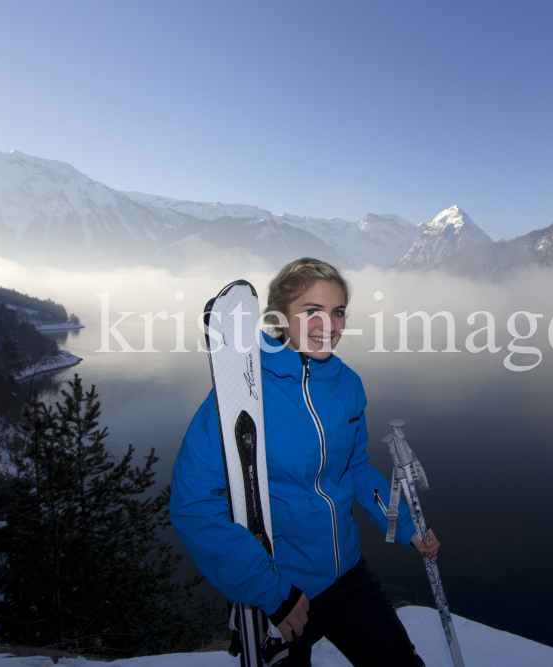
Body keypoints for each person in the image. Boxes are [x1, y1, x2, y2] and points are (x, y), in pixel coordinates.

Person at [170, 258, 438, 666]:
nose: (328, 325)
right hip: (281, 589)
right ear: (280, 316)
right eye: (312, 310)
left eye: (337, 311)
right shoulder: (243, 389)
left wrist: (404, 525)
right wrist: (268, 589)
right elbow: (193, 504)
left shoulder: (347, 384)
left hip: (347, 576)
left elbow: (356, 468)